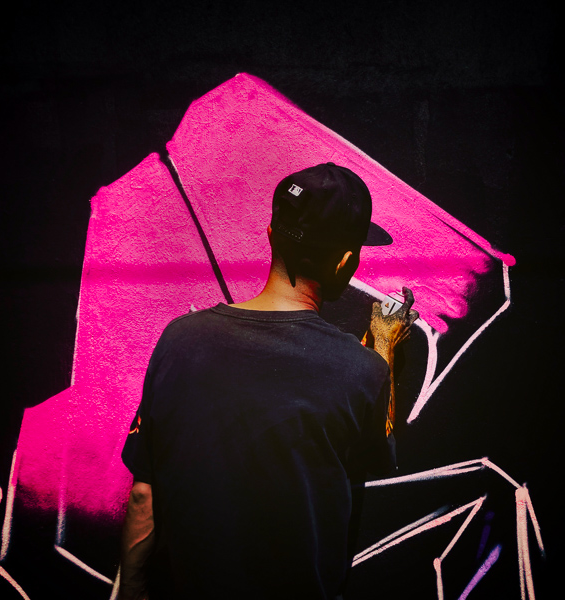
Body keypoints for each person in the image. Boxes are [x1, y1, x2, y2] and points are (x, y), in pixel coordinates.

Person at [119, 163, 418, 599]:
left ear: (271, 234)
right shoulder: (361, 369)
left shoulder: (180, 340)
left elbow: (143, 496)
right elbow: (376, 458)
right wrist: (385, 347)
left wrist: (132, 590)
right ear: (345, 260)